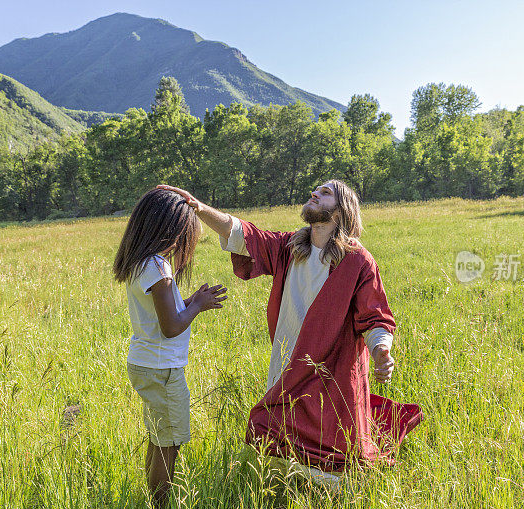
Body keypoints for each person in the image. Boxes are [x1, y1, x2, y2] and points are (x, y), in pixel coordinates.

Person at [158, 181, 422, 474]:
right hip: (286, 362)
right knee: (276, 435)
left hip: (331, 370)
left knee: (333, 448)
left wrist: (381, 349)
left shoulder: (357, 261)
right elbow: (243, 235)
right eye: (315, 190)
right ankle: (281, 493)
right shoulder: (289, 248)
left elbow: (375, 317)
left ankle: (329, 504)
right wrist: (199, 207)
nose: (314, 194)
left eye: (324, 194)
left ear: (340, 211)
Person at [113, 188, 227, 507]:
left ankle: (153, 504)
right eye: (186, 234)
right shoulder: (158, 267)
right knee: (169, 443)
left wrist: (190, 301)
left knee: (158, 437)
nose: (185, 243)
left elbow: (166, 314)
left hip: (146, 363)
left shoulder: (141, 263)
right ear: (172, 229)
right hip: (163, 370)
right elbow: (172, 326)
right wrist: (199, 305)